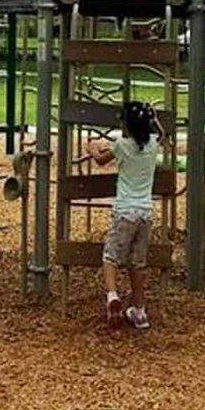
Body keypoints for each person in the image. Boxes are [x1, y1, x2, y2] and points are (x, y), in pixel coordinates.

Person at [88, 100, 161, 330]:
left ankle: (112, 295)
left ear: (126, 126)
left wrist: (91, 146)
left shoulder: (121, 145)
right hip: (145, 214)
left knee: (111, 256)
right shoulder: (152, 144)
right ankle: (139, 312)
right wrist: (154, 118)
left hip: (124, 213)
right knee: (137, 263)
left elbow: (100, 159)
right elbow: (162, 133)